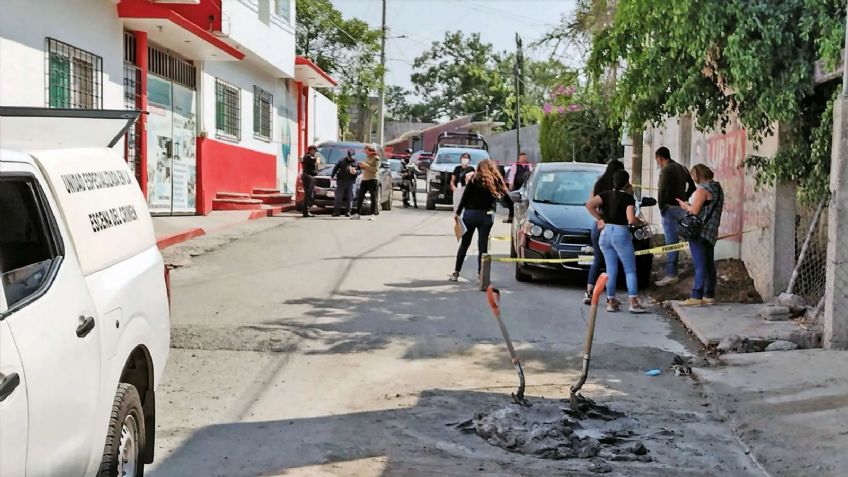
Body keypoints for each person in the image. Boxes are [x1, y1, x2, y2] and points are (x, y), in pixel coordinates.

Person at [585, 169, 648, 314]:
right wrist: (641, 222)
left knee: (610, 269)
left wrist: (600, 219)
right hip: (620, 232)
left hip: (605, 233)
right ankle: (633, 302)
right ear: (627, 182)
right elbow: (631, 219)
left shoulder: (605, 195)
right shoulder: (628, 198)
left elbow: (589, 204)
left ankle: (610, 301)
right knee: (630, 269)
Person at [451, 159, 511, 282]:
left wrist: (457, 213)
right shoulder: (495, 180)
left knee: (465, 244)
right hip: (486, 215)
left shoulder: (473, 179)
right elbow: (508, 198)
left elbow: (465, 197)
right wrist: (512, 213)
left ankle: (456, 273)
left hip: (470, 215)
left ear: (478, 168)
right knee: (482, 246)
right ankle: (481, 275)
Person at [677, 164, 724, 306]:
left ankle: (696, 295)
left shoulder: (702, 190)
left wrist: (686, 206)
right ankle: (709, 295)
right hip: (711, 231)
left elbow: (695, 211)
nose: (692, 179)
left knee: (700, 264)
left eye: (693, 176)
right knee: (709, 263)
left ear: (698, 175)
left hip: (699, 231)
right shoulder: (717, 188)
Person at [583, 159, 625, 304]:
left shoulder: (599, 184)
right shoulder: (620, 188)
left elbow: (589, 203)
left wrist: (599, 218)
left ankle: (589, 292)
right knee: (611, 263)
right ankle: (610, 297)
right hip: (615, 227)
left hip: (599, 227)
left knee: (597, 259)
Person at [654, 146, 697, 286]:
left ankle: (671, 274)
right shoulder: (682, 168)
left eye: (657, 160)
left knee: (671, 242)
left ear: (660, 158)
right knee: (688, 237)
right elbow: (692, 186)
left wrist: (661, 207)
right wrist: (685, 198)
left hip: (670, 209)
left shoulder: (666, 170)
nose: (658, 163)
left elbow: (662, 189)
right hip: (681, 208)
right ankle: (697, 268)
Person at [352, 144, 381, 220]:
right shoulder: (367, 157)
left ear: (369, 150)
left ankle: (372, 214)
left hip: (373, 179)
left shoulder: (376, 158)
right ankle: (358, 214)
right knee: (360, 196)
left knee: (373, 197)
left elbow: (376, 170)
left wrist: (366, 166)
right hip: (364, 179)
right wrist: (359, 168)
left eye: (366, 150)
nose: (365, 151)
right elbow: (364, 168)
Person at [504, 152, 532, 223]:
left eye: (525, 157)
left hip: (526, 187)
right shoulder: (515, 165)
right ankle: (511, 217)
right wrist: (511, 185)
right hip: (517, 187)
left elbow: (531, 174)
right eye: (523, 157)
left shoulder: (529, 165)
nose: (524, 159)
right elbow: (512, 176)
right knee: (513, 203)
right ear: (519, 158)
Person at [331, 149, 358, 217]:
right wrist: (332, 175)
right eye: (349, 156)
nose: (351, 157)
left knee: (350, 197)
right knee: (338, 197)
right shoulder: (341, 161)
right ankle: (336, 212)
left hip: (351, 182)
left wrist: (356, 172)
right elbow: (335, 168)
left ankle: (348, 212)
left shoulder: (356, 162)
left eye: (352, 156)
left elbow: (360, 170)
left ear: (354, 155)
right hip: (341, 181)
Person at [300, 145, 319, 218]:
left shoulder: (309, 157)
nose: (315, 153)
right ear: (311, 150)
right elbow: (317, 163)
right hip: (308, 177)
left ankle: (307, 210)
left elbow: (317, 166)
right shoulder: (308, 157)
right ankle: (305, 212)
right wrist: (318, 159)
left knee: (311, 194)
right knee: (308, 195)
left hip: (310, 177)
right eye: (314, 151)